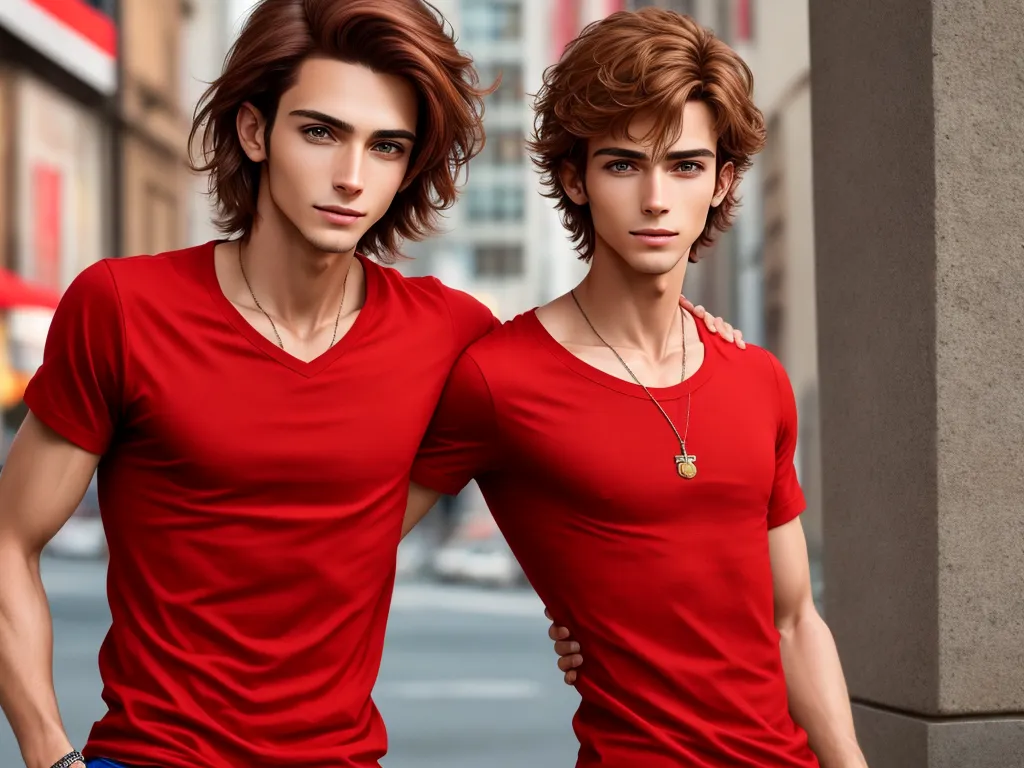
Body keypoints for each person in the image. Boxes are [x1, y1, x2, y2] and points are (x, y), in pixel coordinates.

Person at [0, 2, 740, 768]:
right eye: (320, 132)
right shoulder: (124, 308)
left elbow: (601, 423)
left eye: (386, 147)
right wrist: (49, 754)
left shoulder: (453, 335)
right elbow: (9, 542)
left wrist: (684, 328)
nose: (351, 177)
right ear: (255, 132)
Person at [405, 8, 868, 768]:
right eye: (623, 164)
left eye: (684, 166)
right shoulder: (499, 376)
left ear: (721, 183)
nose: (656, 199)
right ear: (573, 180)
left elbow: (793, 622)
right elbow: (348, 545)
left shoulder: (756, 376)